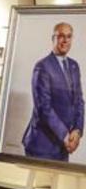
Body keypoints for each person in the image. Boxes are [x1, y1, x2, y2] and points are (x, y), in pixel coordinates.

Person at [21, 23, 83, 162]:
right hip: (42, 145)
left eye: (68, 36)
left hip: (63, 146)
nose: (65, 40)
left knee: (59, 183)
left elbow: (79, 101)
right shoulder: (42, 67)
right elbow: (44, 108)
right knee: (41, 184)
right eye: (61, 36)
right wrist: (65, 136)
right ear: (53, 38)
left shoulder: (74, 66)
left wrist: (77, 131)